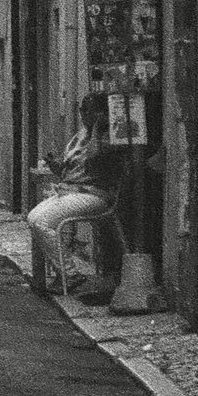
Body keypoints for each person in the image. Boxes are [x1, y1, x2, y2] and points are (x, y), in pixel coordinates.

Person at [27, 94, 127, 297]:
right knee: (34, 218)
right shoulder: (80, 136)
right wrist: (57, 167)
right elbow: (70, 170)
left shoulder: (110, 137)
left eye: (88, 111)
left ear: (101, 113)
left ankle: (69, 274)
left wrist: (97, 128)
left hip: (95, 195)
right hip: (70, 191)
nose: (83, 115)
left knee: (41, 221)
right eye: (82, 110)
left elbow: (93, 159)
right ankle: (63, 272)